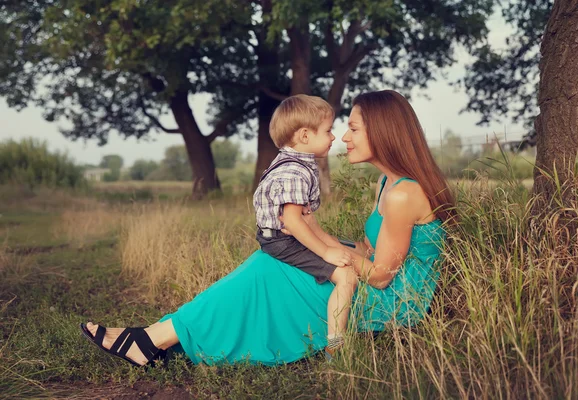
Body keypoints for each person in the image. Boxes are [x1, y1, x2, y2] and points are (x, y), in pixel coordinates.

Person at [80, 90, 456, 367]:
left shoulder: (403, 194)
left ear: (384, 132)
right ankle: (160, 338)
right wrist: (344, 248)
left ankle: (157, 339)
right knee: (270, 265)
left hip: (396, 303)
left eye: (353, 129)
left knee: (269, 268)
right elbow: (377, 250)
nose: (343, 137)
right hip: (379, 282)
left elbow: (380, 279)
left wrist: (338, 253)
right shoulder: (386, 185)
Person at [253, 94, 357, 358]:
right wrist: (325, 252)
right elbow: (292, 220)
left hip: (283, 236)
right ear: (304, 136)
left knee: (350, 248)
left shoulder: (296, 163)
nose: (334, 137)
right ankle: (336, 349)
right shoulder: (295, 171)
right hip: (282, 240)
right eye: (328, 130)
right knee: (345, 275)